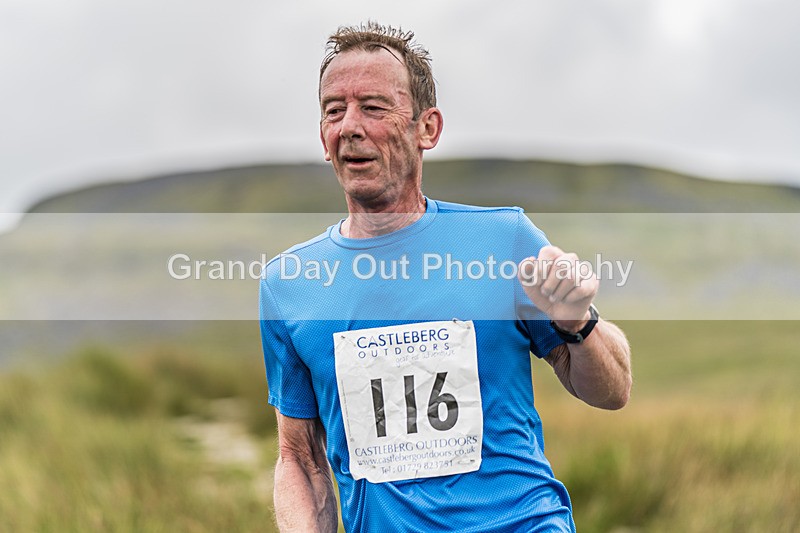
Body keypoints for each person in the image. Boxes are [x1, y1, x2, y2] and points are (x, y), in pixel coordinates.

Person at [260, 22, 632, 532]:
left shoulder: (505, 240)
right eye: (333, 110)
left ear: (427, 129)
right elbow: (299, 458)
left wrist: (578, 325)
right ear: (323, 138)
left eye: (373, 107)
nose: (350, 125)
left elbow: (612, 390)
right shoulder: (289, 284)